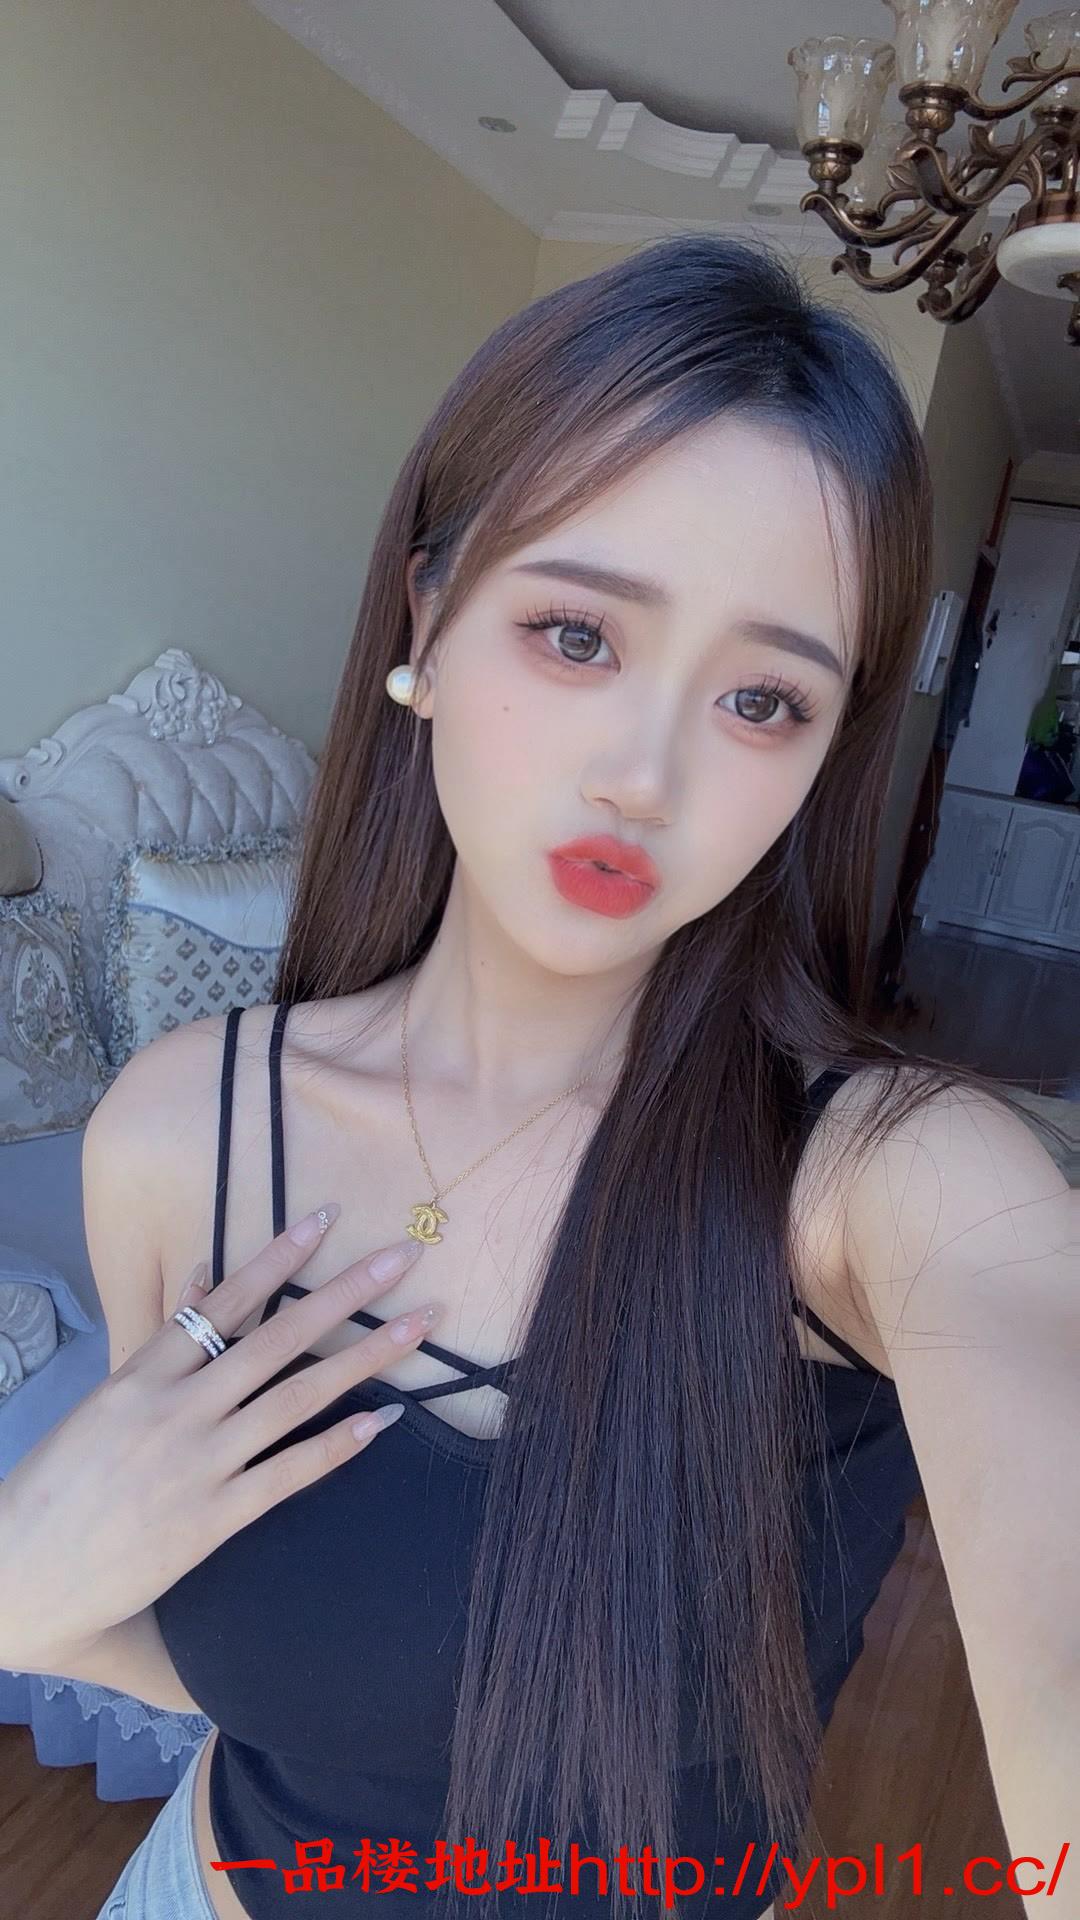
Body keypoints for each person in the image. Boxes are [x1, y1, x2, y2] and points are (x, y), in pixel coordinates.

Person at [2, 234, 1075, 1920]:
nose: (646, 774)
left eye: (763, 700)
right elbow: (238, 1657)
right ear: (427, 620)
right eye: (578, 634)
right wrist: (22, 1592)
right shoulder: (179, 1133)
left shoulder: (889, 1181)